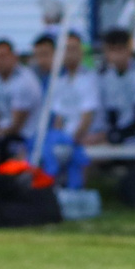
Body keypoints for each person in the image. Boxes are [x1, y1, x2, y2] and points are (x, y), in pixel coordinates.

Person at [34, 32, 99, 187]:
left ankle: (73, 190)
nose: (69, 54)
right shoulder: (60, 81)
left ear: (81, 51)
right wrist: (57, 138)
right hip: (66, 136)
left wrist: (70, 141)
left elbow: (87, 118)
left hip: (85, 135)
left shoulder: (89, 79)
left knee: (68, 151)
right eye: (66, 49)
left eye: (73, 49)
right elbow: (59, 118)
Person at [0, 37, 43, 168]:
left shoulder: (26, 81)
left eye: (3, 56)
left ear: (14, 57)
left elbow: (16, 125)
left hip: (25, 135)